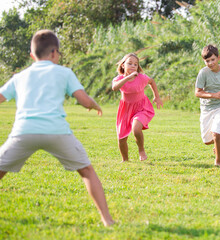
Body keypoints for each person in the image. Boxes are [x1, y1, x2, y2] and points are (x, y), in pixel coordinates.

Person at [0, 30, 114, 226]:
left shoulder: (20, 76)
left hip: (24, 131)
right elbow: (84, 100)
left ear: (32, 55)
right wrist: (94, 105)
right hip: (57, 132)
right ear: (54, 53)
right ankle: (107, 220)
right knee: (86, 171)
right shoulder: (64, 72)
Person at [112, 53, 163, 162]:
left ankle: (141, 150)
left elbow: (152, 81)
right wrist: (128, 78)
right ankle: (125, 160)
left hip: (141, 108)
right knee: (121, 138)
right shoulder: (119, 79)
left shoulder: (141, 78)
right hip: (125, 110)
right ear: (122, 65)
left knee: (136, 129)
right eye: (129, 63)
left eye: (135, 64)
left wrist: (157, 97)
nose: (133, 66)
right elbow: (115, 87)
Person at [195, 45, 220, 166]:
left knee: (217, 133)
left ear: (218, 58)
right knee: (206, 141)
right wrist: (213, 95)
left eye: (213, 59)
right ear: (204, 61)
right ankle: (218, 143)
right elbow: (197, 92)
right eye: (207, 61)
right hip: (207, 108)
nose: (211, 63)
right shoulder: (203, 73)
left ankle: (218, 161)